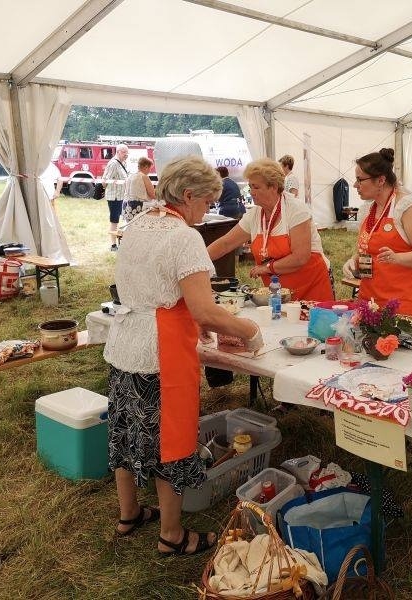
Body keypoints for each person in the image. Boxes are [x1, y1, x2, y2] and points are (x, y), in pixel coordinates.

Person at [103, 156, 262, 555]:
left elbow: (162, 291)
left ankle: (129, 513)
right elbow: (204, 310)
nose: (206, 210)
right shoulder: (184, 236)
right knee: (170, 442)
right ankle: (172, 535)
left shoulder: (138, 222)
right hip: (160, 352)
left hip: (125, 341)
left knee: (125, 433)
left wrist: (196, 319)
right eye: (206, 202)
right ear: (187, 195)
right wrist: (250, 330)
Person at [208, 159, 334, 302]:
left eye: (256, 187)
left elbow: (300, 257)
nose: (252, 192)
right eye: (250, 187)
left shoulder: (296, 210)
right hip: (279, 293)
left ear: (273, 187)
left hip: (312, 286)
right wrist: (200, 260)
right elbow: (226, 243)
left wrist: (267, 268)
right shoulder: (254, 215)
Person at [345, 148, 412, 316]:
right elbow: (367, 249)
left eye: (360, 180)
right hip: (369, 302)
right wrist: (353, 260)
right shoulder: (368, 209)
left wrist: (397, 258)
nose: (355, 185)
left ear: (380, 180)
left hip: (400, 305)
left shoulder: (407, 206)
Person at [102, 144, 129, 251]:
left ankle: (123, 242)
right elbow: (104, 181)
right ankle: (113, 245)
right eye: (124, 152)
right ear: (118, 152)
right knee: (114, 221)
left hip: (123, 196)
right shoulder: (113, 164)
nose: (126, 155)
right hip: (114, 197)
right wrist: (110, 184)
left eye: (127, 153)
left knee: (125, 219)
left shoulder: (124, 163)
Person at [122, 157, 157, 223]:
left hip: (126, 206)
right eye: (150, 168)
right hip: (137, 206)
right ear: (146, 167)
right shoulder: (144, 176)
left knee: (130, 228)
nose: (149, 171)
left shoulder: (130, 176)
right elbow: (152, 195)